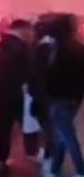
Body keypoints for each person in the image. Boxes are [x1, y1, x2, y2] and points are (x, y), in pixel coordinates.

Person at [42, 14, 84, 177]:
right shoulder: (78, 48)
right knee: (63, 133)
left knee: (67, 135)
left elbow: (52, 76)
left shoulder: (58, 49)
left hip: (60, 97)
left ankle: (80, 169)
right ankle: (54, 168)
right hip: (74, 97)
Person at [0, 19, 38, 170]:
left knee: (4, 126)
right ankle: (32, 153)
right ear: (22, 29)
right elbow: (28, 71)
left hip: (3, 92)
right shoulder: (21, 47)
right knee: (28, 123)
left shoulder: (2, 44)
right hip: (18, 93)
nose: (32, 34)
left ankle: (2, 157)